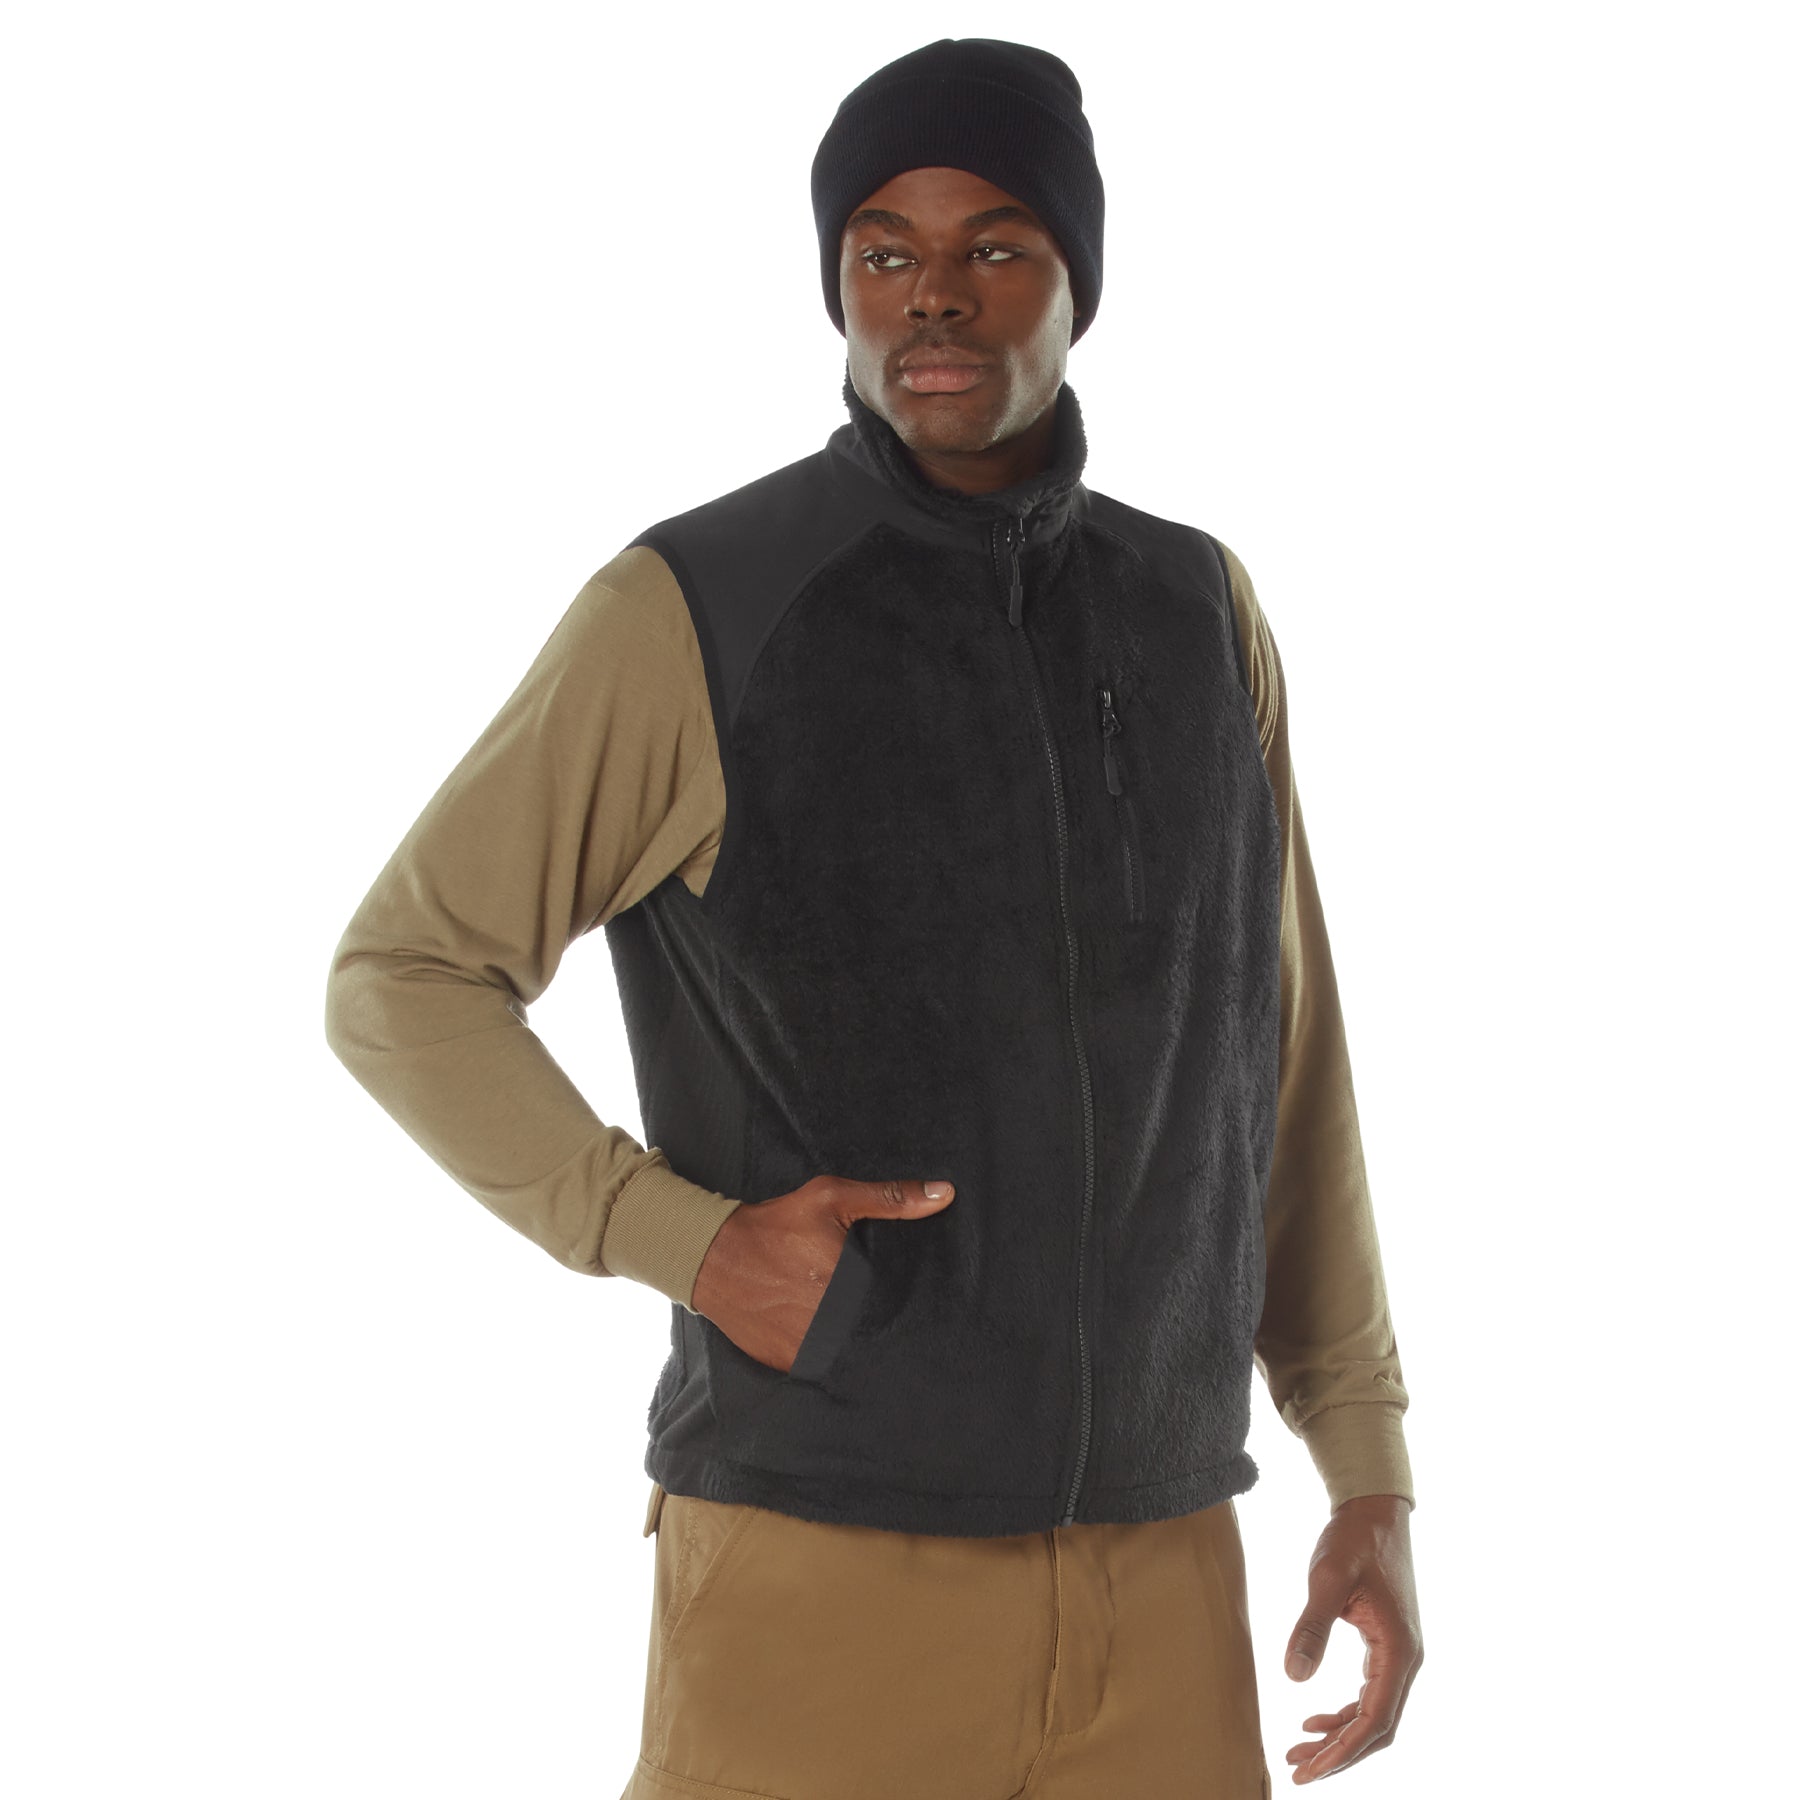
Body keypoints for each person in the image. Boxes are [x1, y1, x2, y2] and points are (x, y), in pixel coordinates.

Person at [324, 35, 1424, 1798]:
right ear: (839, 282)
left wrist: (1363, 1460)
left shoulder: (1199, 610)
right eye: (886, 251)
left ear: (1076, 283)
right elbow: (403, 975)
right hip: (820, 1568)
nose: (936, 297)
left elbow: (1278, 1064)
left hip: (1163, 1578)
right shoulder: (700, 606)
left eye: (997, 246)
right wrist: (685, 1243)